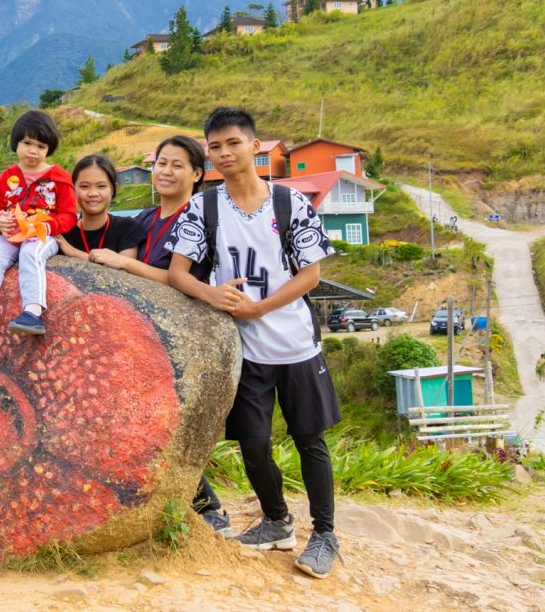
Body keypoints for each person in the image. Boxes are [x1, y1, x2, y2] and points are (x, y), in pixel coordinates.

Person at [165, 107, 341, 579]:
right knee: (254, 442)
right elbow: (178, 272)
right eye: (214, 147)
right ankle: (277, 520)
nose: (223, 153)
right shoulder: (205, 207)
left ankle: (324, 534)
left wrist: (259, 308)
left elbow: (311, 274)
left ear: (254, 146)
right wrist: (212, 293)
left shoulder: (290, 204)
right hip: (242, 350)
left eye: (232, 144)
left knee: (309, 439)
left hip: (296, 344)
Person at [79, 135, 234, 538]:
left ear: (198, 174)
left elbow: (185, 281)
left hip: (181, 334)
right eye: (161, 163)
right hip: (140, 337)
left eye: (177, 165)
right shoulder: (145, 220)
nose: (165, 171)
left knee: (168, 425)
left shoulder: (197, 220)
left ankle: (207, 506)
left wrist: (124, 267)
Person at [0, 109, 76, 336]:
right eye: (27, 143)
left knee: (30, 255)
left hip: (43, 235)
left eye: (41, 147)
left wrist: (47, 226)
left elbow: (70, 216)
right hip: (12, 235)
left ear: (49, 150)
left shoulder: (60, 178)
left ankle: (32, 313)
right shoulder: (6, 177)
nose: (33, 151)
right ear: (16, 143)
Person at [56, 154, 146, 261]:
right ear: (73, 189)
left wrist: (72, 252)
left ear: (113, 189)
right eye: (84, 186)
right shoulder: (62, 231)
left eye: (101, 186)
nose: (93, 193)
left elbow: (124, 270)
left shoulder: (128, 228)